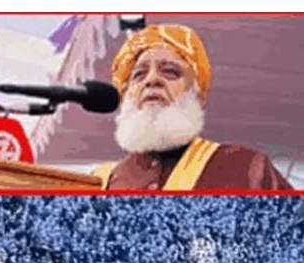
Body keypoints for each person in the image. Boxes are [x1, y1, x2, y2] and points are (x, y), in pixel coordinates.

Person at [92, 24, 293, 190]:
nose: (152, 80)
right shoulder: (99, 182)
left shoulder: (245, 167)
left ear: (196, 95)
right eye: (139, 75)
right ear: (126, 94)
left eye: (170, 72)